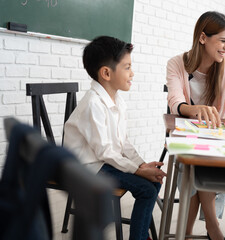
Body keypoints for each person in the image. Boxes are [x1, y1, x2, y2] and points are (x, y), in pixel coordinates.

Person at [64, 36, 166, 240]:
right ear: (106, 73)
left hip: (103, 161)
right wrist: (138, 171)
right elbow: (106, 152)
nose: (132, 73)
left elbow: (122, 142)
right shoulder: (93, 104)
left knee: (153, 182)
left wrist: (142, 164)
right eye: (127, 67)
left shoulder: (117, 100)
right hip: (86, 166)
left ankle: (141, 234)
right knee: (146, 189)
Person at [166, 11, 225, 239]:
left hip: (216, 140)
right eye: (222, 41)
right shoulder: (177, 63)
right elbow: (175, 101)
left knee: (198, 165)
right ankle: (212, 226)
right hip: (187, 137)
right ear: (203, 38)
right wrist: (193, 110)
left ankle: (185, 231)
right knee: (195, 164)